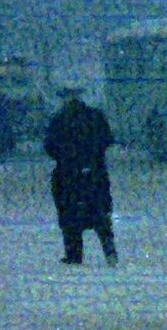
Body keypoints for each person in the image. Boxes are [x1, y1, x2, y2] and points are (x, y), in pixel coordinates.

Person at [43, 86, 117, 265]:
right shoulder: (95, 117)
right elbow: (107, 139)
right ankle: (109, 251)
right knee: (100, 214)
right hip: (95, 172)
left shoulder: (59, 120)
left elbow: (50, 147)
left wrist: (68, 157)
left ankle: (74, 255)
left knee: (70, 215)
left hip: (68, 174)